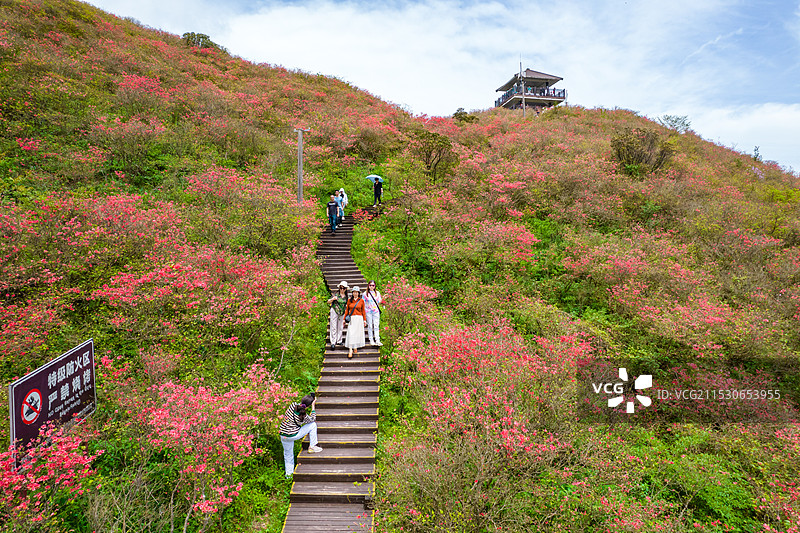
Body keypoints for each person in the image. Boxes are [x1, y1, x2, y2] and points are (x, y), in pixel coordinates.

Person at [279, 395, 322, 478]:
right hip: (293, 435)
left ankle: (289, 476)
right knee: (313, 425)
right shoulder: (303, 415)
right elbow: (313, 419)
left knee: (288, 455)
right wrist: (313, 406)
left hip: (283, 434)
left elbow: (297, 408)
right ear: (309, 405)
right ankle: (312, 446)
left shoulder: (292, 405)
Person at [344, 285, 366, 359]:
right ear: (352, 293)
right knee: (351, 332)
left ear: (358, 293)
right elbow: (347, 310)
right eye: (354, 292)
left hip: (359, 318)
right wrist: (344, 319)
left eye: (356, 292)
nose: (355, 293)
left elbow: (363, 311)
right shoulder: (349, 301)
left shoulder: (361, 301)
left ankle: (355, 346)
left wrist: (364, 320)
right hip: (352, 318)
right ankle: (350, 349)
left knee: (357, 333)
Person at [327, 281, 349, 349]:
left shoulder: (346, 297)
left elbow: (347, 305)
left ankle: (339, 340)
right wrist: (332, 299)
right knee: (333, 326)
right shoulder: (335, 294)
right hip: (334, 310)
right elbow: (328, 301)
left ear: (346, 289)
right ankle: (333, 342)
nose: (342, 289)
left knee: (340, 326)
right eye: (341, 288)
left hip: (342, 312)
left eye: (343, 288)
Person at [363, 280, 383, 346]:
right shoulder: (365, 294)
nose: (371, 287)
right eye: (370, 285)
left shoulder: (377, 293)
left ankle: (377, 340)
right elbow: (363, 302)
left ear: (375, 286)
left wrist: (384, 299)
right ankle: (371, 339)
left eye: (373, 285)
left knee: (376, 325)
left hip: (376, 311)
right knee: (370, 326)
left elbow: (379, 302)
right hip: (368, 311)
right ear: (368, 286)